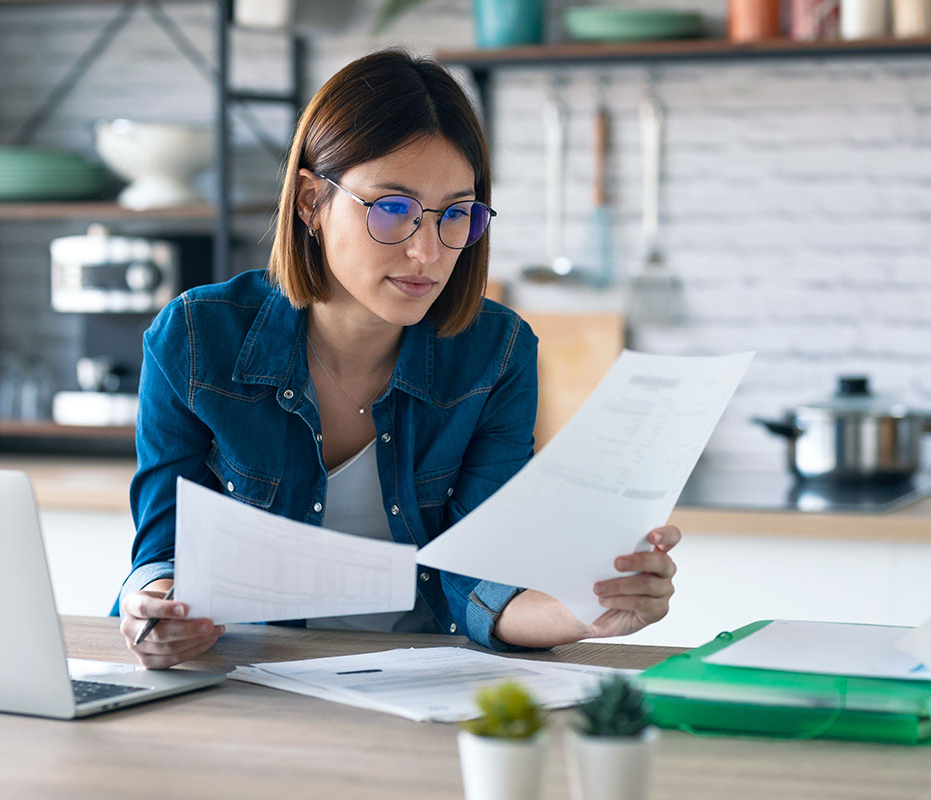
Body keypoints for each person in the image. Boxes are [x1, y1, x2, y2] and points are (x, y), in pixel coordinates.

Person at [114, 49, 680, 669]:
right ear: (310, 201)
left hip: (421, 680)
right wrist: (158, 612)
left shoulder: (498, 353)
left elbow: (481, 581)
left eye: (456, 215)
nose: (427, 252)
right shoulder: (197, 338)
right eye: (392, 209)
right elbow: (162, 555)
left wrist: (585, 610)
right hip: (248, 676)